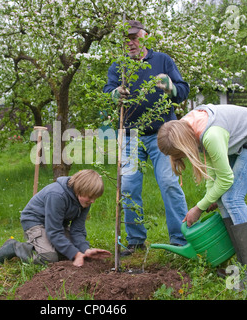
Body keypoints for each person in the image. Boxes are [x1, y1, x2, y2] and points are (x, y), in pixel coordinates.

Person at [157, 104, 247, 288]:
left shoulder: (210, 135)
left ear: (183, 145)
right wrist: (210, 197)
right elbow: (212, 166)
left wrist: (199, 207)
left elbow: (226, 179)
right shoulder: (186, 127)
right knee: (222, 199)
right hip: (238, 139)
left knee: (232, 199)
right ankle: (239, 269)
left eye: (179, 154)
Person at [103, 20, 190, 255]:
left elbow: (183, 90)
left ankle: (181, 239)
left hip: (163, 134)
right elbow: (106, 92)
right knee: (129, 186)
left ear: (145, 37)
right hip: (130, 134)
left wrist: (170, 86)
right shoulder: (119, 66)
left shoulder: (162, 60)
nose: (130, 43)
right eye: (126, 39)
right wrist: (114, 94)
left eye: (135, 37)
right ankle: (135, 240)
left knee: (169, 183)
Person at [0, 169, 111, 267]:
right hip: (35, 222)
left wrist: (85, 250)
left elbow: (77, 230)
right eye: (90, 197)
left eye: (95, 198)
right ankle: (15, 247)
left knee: (69, 252)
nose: (93, 201)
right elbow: (54, 231)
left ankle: (44, 246)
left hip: (55, 224)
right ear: (80, 190)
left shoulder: (85, 202)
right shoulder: (57, 195)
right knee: (49, 258)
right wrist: (75, 253)